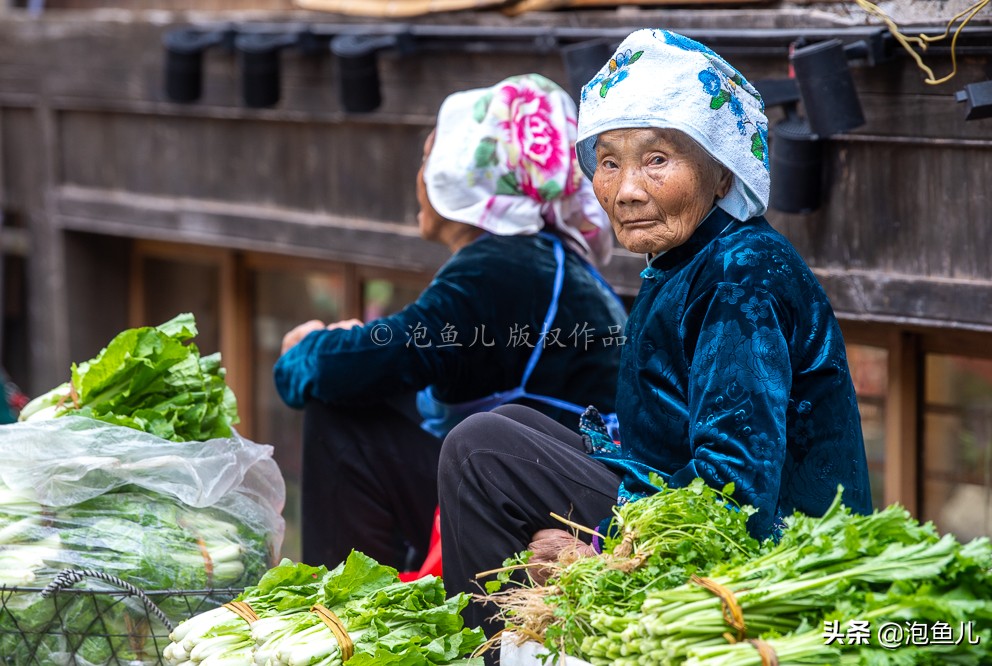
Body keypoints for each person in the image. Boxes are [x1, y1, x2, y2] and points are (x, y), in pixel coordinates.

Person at [437, 29, 873, 655]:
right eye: (608, 161)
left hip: (770, 557)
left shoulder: (738, 277)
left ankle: (491, 654)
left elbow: (735, 489)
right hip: (686, 506)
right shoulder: (689, 260)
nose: (626, 189)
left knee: (482, 450)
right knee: (510, 425)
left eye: (657, 160)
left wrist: (598, 551)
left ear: (721, 172)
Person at [274, 73, 628, 573]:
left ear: (459, 172)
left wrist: (306, 349)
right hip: (547, 491)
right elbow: (413, 349)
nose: (419, 175)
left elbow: (367, 361)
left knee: (338, 415)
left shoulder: (503, 267)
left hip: (529, 505)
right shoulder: (544, 258)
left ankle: (346, 617)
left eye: (428, 158)